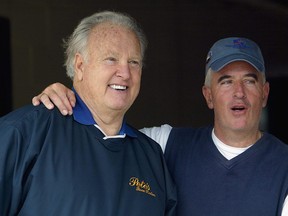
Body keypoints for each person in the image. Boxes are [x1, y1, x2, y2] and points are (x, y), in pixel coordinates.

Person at [34, 37, 288, 216]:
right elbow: (101, 134)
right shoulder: (165, 143)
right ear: (208, 95)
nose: (239, 93)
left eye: (250, 81)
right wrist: (70, 101)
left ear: (264, 94)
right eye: (225, 82)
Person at [0, 11, 177, 216]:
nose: (125, 73)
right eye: (111, 59)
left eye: (134, 62)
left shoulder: (152, 158)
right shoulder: (26, 133)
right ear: (80, 66)